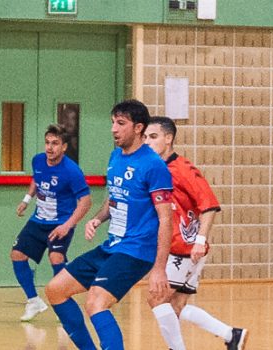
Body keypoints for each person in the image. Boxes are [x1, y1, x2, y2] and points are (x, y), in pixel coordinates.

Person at [43, 100, 175, 350]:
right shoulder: (116, 156)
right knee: (55, 290)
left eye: (121, 124)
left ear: (138, 128)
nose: (114, 129)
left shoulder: (153, 165)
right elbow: (113, 198)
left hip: (136, 251)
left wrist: (159, 268)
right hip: (111, 246)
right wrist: (97, 218)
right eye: (113, 122)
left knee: (96, 302)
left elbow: (166, 218)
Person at [142, 118, 248, 350]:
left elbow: (209, 205)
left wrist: (200, 240)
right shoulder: (155, 169)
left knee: (156, 298)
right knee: (176, 306)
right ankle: (231, 335)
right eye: (145, 137)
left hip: (185, 248)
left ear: (168, 139)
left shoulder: (183, 169)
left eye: (153, 137)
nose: (147, 142)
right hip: (180, 249)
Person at [11, 124, 92, 322]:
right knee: (17, 254)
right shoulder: (38, 160)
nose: (50, 147)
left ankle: (65, 303)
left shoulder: (72, 171)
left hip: (60, 222)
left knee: (56, 258)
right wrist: (26, 200)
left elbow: (86, 201)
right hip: (38, 220)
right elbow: (37, 180)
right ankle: (34, 301)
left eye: (55, 143)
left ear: (64, 147)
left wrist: (68, 225)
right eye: (47, 142)